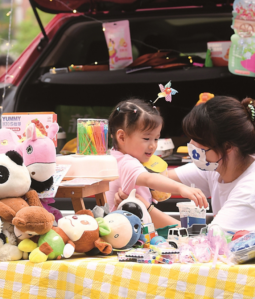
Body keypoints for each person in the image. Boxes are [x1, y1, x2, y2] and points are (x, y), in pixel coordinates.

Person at [116, 96, 255, 233]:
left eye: (198, 140)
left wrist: (146, 210)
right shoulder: (216, 167)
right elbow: (160, 178)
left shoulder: (249, 191)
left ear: (227, 147)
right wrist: (130, 185)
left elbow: (208, 239)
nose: (191, 144)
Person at [106, 98, 208, 228]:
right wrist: (181, 188)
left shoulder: (114, 156)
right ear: (121, 137)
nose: (153, 145)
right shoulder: (127, 162)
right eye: (146, 138)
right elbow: (149, 178)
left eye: (156, 138)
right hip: (127, 232)